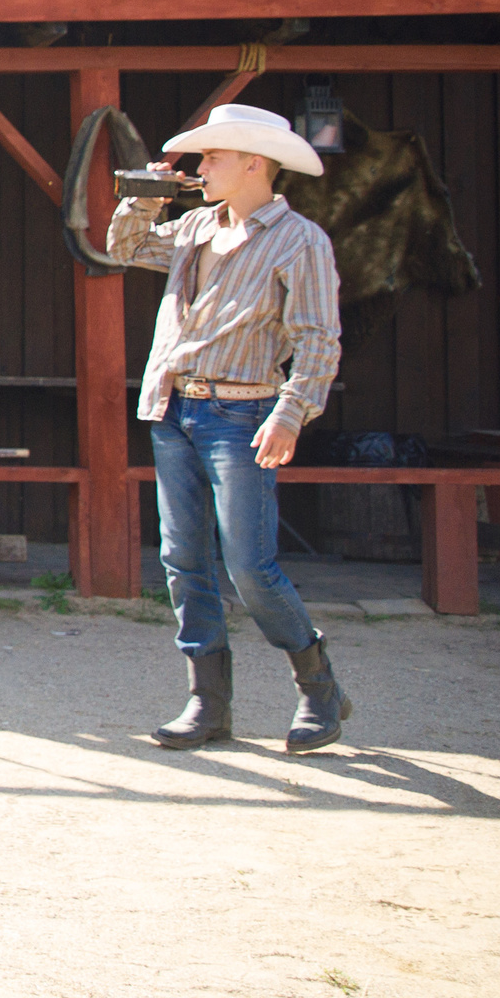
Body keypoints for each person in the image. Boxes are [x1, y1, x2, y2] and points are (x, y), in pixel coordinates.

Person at [109, 102, 348, 754]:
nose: (200, 165)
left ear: (252, 163)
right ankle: (207, 703)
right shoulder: (192, 227)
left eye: (212, 155)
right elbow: (120, 247)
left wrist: (290, 412)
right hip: (173, 410)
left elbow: (318, 341)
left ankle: (318, 684)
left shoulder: (301, 241)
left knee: (249, 566)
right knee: (183, 560)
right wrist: (145, 194)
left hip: (242, 415)